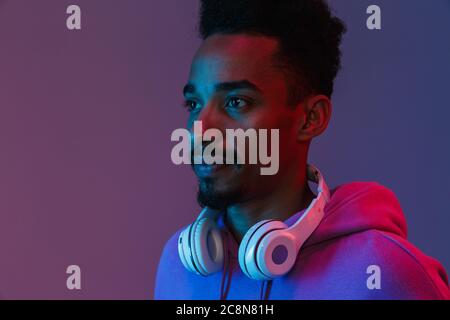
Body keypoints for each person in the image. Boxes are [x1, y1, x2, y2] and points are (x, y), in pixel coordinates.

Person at [154, 0, 449, 299]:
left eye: (236, 102)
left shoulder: (382, 273)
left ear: (311, 118)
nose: (200, 131)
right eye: (194, 104)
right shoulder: (177, 267)